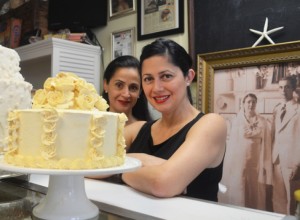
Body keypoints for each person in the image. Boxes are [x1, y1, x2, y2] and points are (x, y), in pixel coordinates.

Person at [121, 38, 227, 201]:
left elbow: (162, 184)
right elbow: (89, 163)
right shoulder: (137, 129)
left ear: (188, 77)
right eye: (148, 79)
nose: (156, 88)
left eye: (166, 76)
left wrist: (123, 165)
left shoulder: (211, 124)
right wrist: (144, 164)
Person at [220, 93, 272, 210]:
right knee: (240, 185)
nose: (251, 104)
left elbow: (267, 143)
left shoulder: (262, 121)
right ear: (243, 104)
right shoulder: (236, 121)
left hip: (256, 161)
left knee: (254, 187)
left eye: (253, 102)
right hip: (240, 160)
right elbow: (232, 144)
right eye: (248, 102)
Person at [272, 75, 300, 215]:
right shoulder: (277, 109)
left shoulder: (298, 109)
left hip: (291, 161)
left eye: (287, 87)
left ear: (293, 88)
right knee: (278, 198)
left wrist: (297, 164)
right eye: (281, 87)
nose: (283, 90)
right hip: (276, 159)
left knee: (291, 201)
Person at [102, 55, 152, 125]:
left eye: (133, 87)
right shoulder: (90, 125)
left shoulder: (145, 131)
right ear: (105, 85)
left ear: (140, 91)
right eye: (119, 85)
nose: (126, 94)